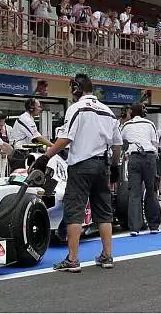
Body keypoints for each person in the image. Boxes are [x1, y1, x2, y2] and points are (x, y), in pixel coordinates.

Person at [39, 73, 122, 272]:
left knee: (74, 210)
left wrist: (46, 156)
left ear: (76, 88)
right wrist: (115, 166)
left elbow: (66, 138)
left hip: (80, 166)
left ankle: (73, 259)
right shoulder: (107, 111)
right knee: (103, 211)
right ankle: (107, 256)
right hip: (102, 166)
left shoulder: (77, 109)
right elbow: (117, 144)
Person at [120, 103, 161, 236]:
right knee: (151, 191)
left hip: (134, 158)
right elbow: (155, 144)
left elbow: (121, 141)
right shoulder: (150, 124)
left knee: (134, 193)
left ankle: (134, 228)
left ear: (131, 112)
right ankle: (154, 225)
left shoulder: (126, 125)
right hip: (149, 157)